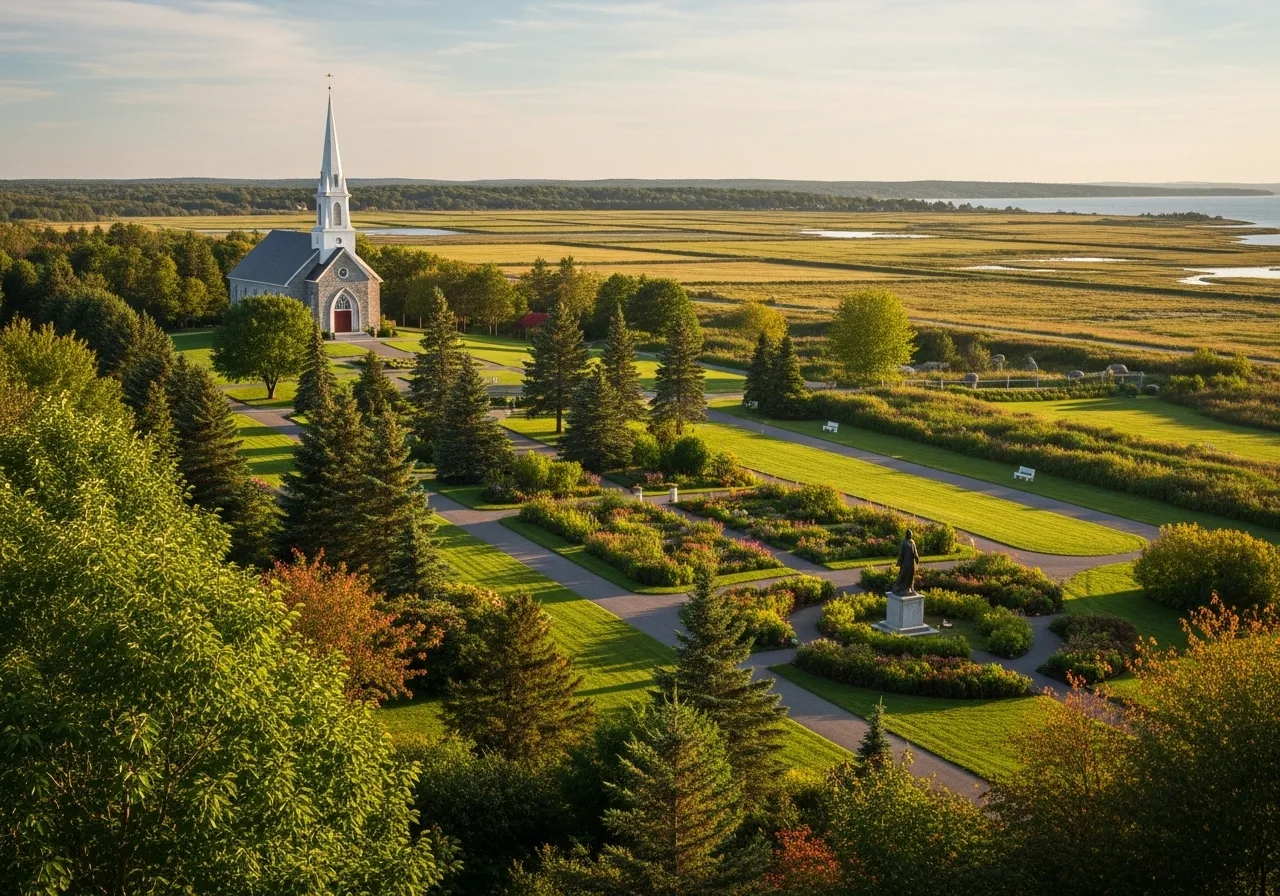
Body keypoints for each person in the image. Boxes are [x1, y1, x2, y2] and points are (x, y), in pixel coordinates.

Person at [893, 530, 919, 594]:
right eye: (910, 534)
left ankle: (910, 588)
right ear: (907, 534)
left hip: (911, 562)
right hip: (905, 562)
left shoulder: (912, 542)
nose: (911, 535)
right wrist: (899, 561)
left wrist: (916, 558)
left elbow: (915, 551)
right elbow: (901, 553)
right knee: (903, 574)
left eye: (912, 534)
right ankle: (899, 587)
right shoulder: (904, 542)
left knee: (911, 574)